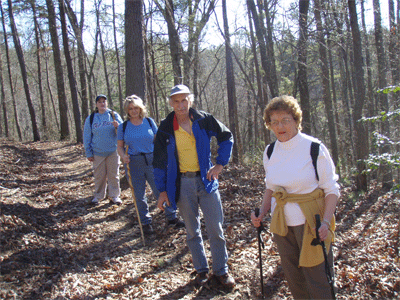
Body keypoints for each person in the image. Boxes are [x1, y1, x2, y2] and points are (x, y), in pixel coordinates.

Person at [251, 95, 340, 299]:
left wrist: (326, 222)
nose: (280, 126)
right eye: (274, 122)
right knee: (294, 278)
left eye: (285, 120)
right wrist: (262, 213)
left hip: (312, 223)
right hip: (282, 224)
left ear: (296, 120)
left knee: (318, 278)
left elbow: (332, 189)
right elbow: (271, 188)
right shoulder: (271, 151)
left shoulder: (314, 148)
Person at [153, 84, 235, 288]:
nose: (181, 105)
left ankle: (221, 272)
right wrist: (162, 190)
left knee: (215, 228)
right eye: (176, 101)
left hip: (207, 180)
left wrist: (220, 164)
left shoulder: (204, 119)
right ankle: (201, 270)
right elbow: (159, 162)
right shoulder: (165, 127)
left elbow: (226, 137)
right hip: (182, 183)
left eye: (184, 100)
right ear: (171, 103)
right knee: (192, 230)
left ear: (191, 100)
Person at [117, 95, 184, 235]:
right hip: (134, 162)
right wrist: (123, 156)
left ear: (140, 108)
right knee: (139, 194)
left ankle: (172, 217)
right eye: (130, 109)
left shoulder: (149, 122)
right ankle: (145, 223)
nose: (134, 111)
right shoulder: (123, 127)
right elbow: (120, 146)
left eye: (136, 108)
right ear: (127, 111)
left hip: (153, 160)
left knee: (161, 190)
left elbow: (157, 140)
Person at [83, 94, 123, 205]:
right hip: (97, 152)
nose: (102, 103)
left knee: (114, 175)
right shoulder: (91, 118)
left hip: (113, 151)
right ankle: (98, 196)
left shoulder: (113, 115)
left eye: (104, 101)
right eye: (99, 102)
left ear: (107, 103)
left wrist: (117, 126)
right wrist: (88, 152)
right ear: (96, 104)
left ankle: (115, 196)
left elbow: (123, 130)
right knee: (99, 176)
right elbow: (87, 136)